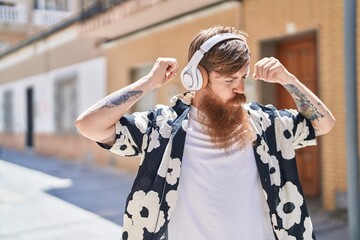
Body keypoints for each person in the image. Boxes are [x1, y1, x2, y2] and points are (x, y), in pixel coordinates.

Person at [76, 25, 335, 240]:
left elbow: (323, 123)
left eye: (243, 77)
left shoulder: (266, 125)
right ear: (197, 77)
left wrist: (289, 80)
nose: (240, 88)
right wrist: (150, 82)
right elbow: (90, 125)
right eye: (229, 80)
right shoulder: (162, 129)